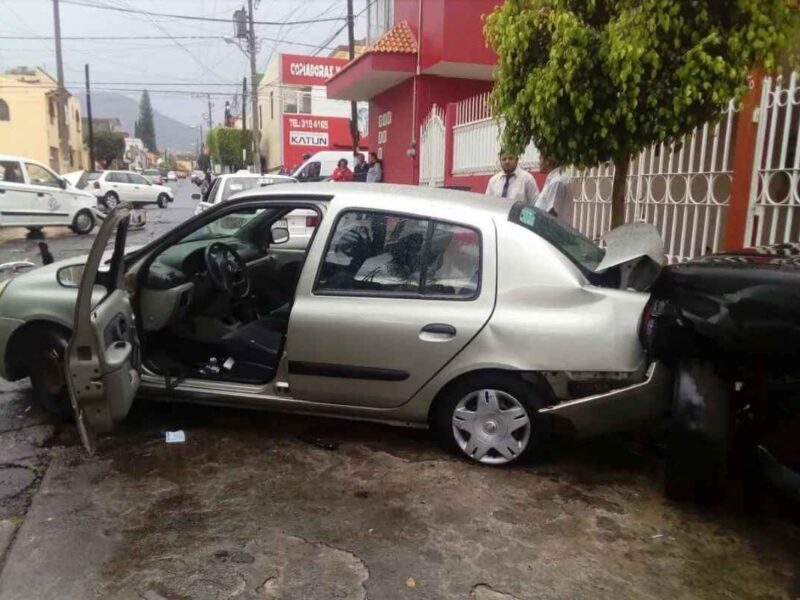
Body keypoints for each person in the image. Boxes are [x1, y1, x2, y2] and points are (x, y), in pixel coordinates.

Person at [535, 156, 573, 225]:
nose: (538, 163)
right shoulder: (553, 179)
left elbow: (552, 213)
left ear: (547, 161)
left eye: (540, 158)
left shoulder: (557, 181)